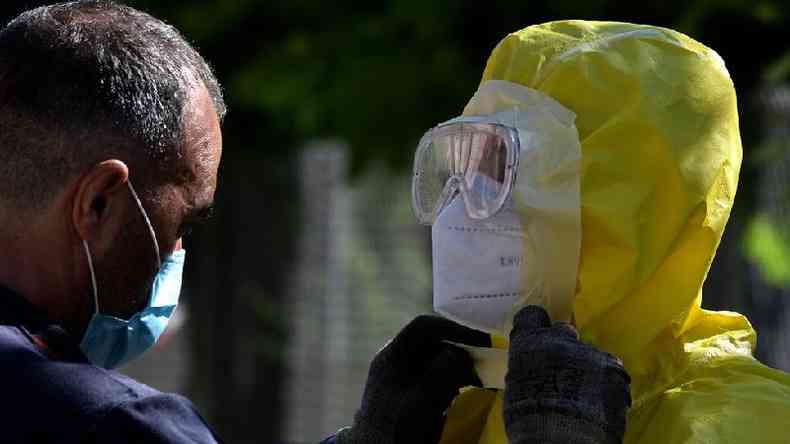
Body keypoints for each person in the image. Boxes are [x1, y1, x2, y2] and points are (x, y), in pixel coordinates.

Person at [401, 20, 790, 444]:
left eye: (506, 174)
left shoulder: (741, 425)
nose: (462, 210)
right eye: (468, 170)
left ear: (628, 201)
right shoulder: (471, 410)